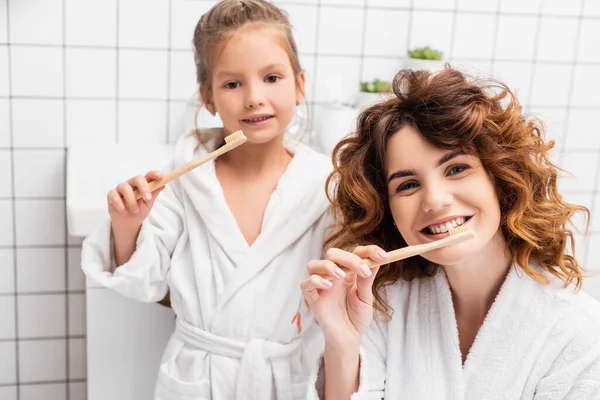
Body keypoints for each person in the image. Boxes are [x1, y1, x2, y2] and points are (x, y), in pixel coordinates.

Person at [81, 1, 331, 398]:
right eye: (232, 84)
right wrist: (126, 225)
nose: (253, 97)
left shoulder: (325, 187)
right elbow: (145, 283)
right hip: (197, 378)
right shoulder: (185, 181)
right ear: (208, 97)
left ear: (299, 85)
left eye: (271, 77)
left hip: (286, 379)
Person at [301, 66, 600, 399]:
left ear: (500, 179)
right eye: (408, 185)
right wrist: (342, 342)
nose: (435, 200)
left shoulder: (580, 336)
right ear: (389, 213)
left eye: (457, 169)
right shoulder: (384, 309)